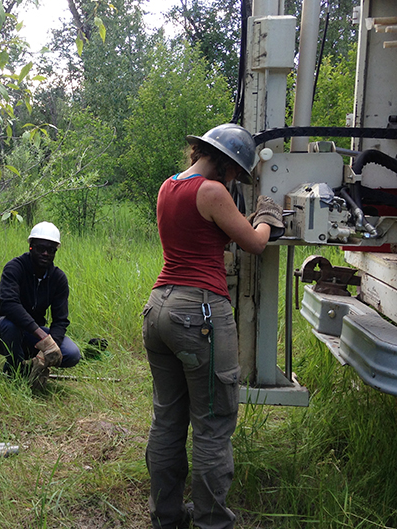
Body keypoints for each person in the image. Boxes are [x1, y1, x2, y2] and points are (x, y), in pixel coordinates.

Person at [142, 123, 284, 529]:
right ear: (227, 165)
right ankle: (210, 523)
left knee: (168, 419)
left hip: (159, 307)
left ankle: (166, 516)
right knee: (212, 425)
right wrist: (267, 218)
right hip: (200, 312)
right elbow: (255, 243)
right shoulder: (212, 191)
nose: (236, 179)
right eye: (238, 171)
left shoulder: (169, 186)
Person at [0, 222, 81, 387]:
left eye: (51, 250)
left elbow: (60, 320)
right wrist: (43, 338)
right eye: (40, 248)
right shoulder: (14, 268)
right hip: (3, 331)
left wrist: (48, 351)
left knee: (72, 353)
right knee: (11, 325)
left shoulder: (58, 279)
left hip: (33, 336)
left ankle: (33, 365)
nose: (45, 253)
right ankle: (15, 371)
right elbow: (9, 305)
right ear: (31, 247)